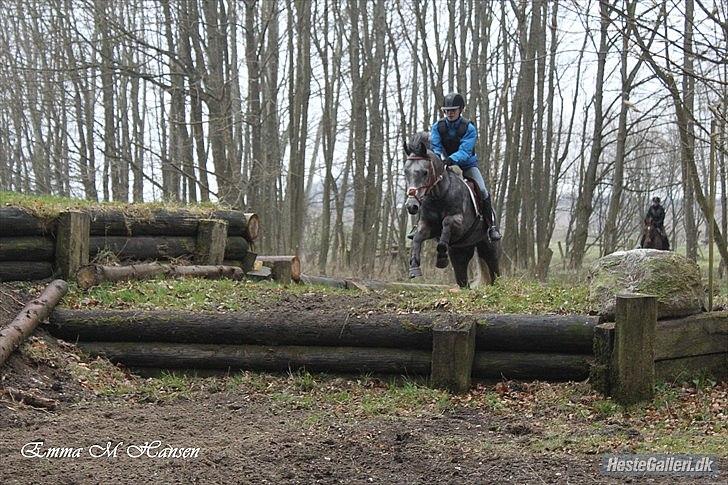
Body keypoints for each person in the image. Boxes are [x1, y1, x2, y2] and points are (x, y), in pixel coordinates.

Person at [429, 92, 501, 241]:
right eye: (446, 111)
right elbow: (435, 146)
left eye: (453, 110)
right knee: (428, 187)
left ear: (460, 110)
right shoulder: (437, 126)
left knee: (482, 190)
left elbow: (465, 151)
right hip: (444, 164)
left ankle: (491, 226)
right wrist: (441, 159)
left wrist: (451, 159)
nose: (449, 113)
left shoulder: (469, 128)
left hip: (467, 164)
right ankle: (421, 224)